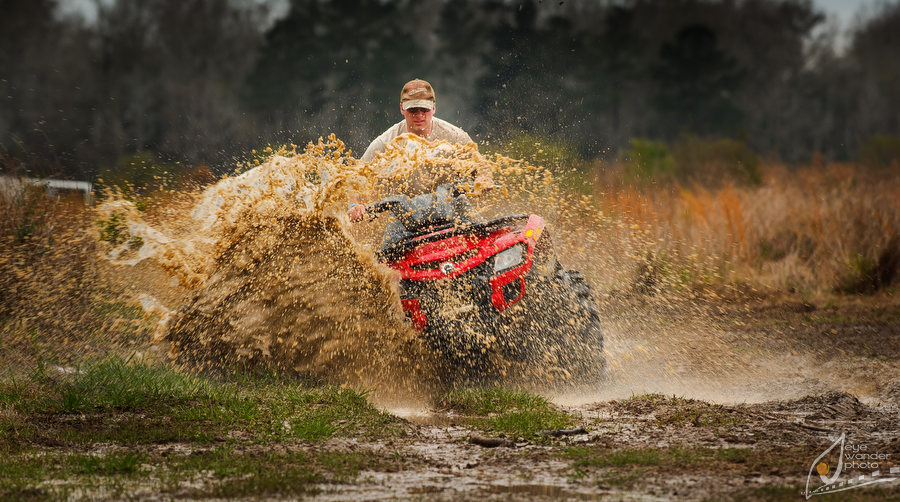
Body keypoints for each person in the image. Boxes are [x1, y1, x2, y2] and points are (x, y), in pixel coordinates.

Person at [350, 79, 486, 222]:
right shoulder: (386, 142)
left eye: (424, 110)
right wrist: (354, 205)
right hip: (405, 214)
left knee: (484, 235)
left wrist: (483, 179)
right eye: (413, 110)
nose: (419, 115)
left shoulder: (455, 135)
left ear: (434, 108)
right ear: (402, 108)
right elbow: (355, 179)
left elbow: (481, 166)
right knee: (391, 244)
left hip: (453, 204)